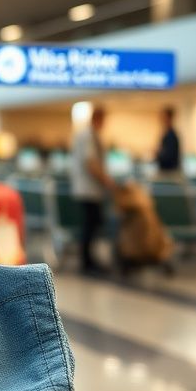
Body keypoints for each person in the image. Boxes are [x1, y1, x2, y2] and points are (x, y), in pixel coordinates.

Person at [70, 105, 115, 274]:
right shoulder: (87, 136)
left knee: (93, 223)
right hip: (87, 188)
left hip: (91, 189)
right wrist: (106, 180)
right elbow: (91, 163)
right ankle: (87, 261)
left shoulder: (92, 136)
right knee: (91, 224)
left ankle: (90, 259)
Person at [155, 106, 181, 172]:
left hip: (169, 172)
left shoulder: (171, 135)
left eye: (163, 116)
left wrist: (157, 153)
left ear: (169, 118)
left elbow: (168, 156)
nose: (161, 119)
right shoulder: (167, 134)